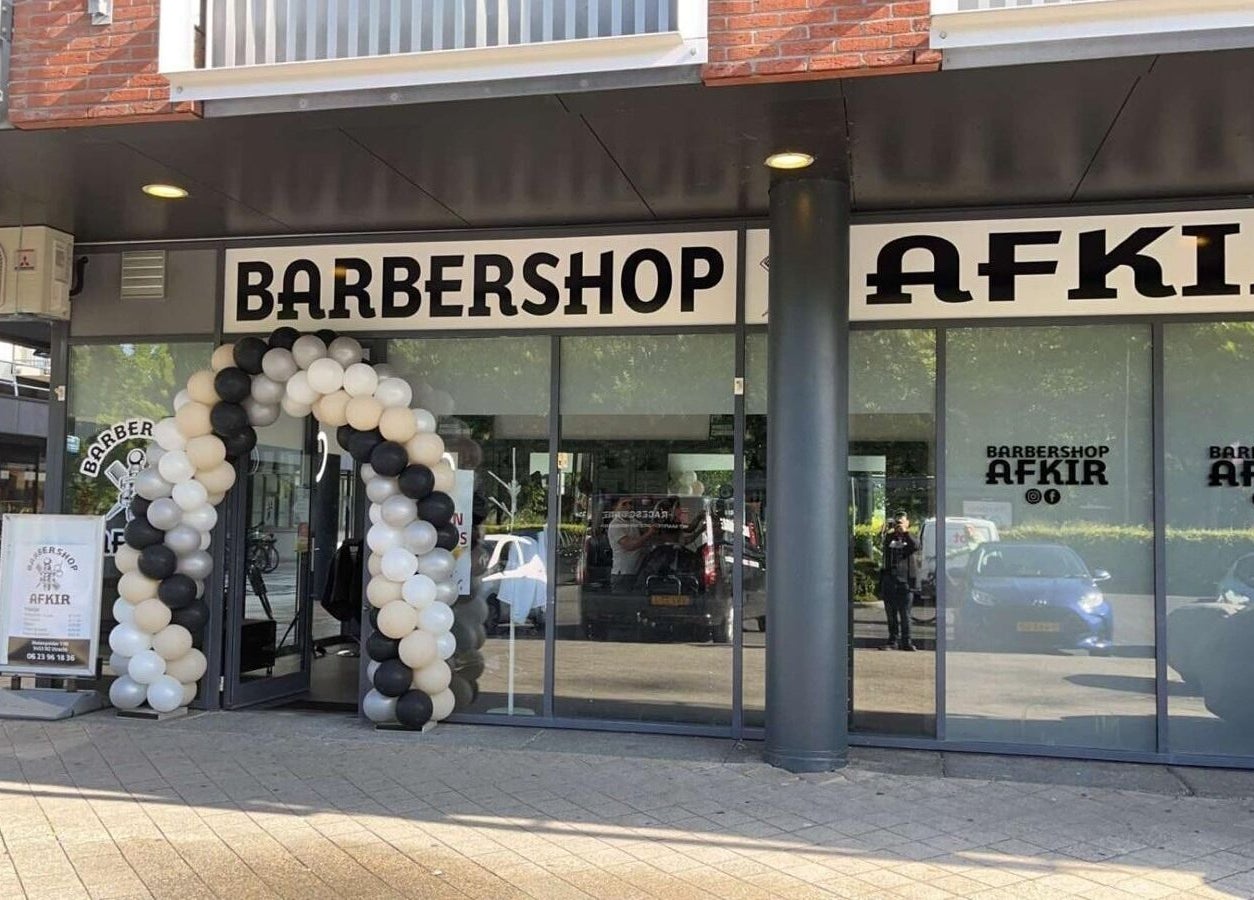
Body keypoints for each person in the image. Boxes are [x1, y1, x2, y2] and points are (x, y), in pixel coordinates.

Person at [879, 511, 920, 651]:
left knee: (905, 614)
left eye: (901, 522)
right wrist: (888, 531)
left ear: (907, 523)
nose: (899, 526)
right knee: (891, 614)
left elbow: (915, 546)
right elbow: (885, 548)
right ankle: (892, 641)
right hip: (890, 581)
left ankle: (907, 641)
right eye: (897, 523)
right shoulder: (889, 537)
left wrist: (905, 533)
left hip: (906, 582)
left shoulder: (911, 537)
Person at [607, 498, 654, 590]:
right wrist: (649, 533)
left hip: (637, 572)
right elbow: (629, 545)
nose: (629, 507)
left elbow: (646, 529)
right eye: (624, 504)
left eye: (630, 504)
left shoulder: (633, 521)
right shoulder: (615, 525)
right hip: (623, 574)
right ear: (615, 507)